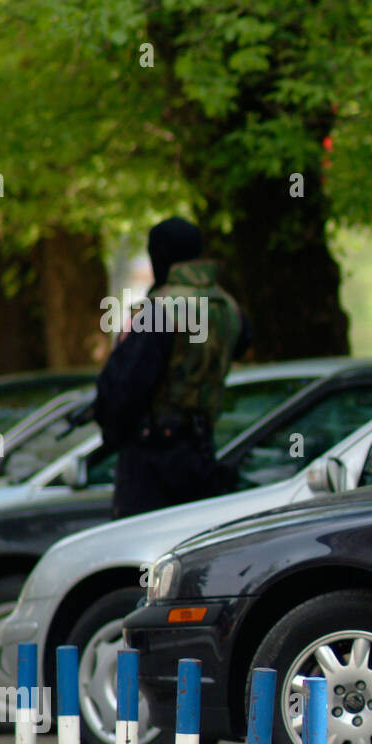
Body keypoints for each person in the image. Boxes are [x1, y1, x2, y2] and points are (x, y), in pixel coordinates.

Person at [94, 217, 250, 518]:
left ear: (158, 256)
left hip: (153, 463)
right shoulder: (228, 308)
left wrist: (113, 431)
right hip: (202, 452)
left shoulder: (159, 309)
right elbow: (240, 345)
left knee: (139, 554)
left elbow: (123, 388)